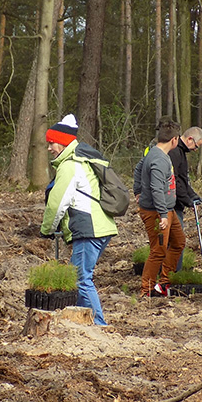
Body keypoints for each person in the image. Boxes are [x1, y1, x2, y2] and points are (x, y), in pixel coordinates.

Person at [40, 114, 118, 325]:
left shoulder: (70, 165)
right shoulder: (77, 161)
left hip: (89, 228)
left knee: (81, 279)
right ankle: (84, 322)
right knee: (78, 278)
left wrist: (47, 229)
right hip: (99, 226)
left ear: (63, 142)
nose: (49, 148)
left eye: (52, 143)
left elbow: (57, 203)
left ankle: (99, 325)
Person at [136, 119, 186, 298]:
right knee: (158, 250)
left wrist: (137, 189)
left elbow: (138, 168)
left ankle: (164, 283)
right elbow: (157, 188)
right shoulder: (158, 159)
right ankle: (146, 290)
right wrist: (163, 214)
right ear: (174, 140)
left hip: (167, 209)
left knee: (179, 242)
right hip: (157, 213)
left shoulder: (156, 154)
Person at [168, 127, 202, 270]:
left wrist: (192, 194)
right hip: (172, 204)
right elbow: (174, 180)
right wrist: (186, 199)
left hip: (178, 203)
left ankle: (173, 271)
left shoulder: (181, 153)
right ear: (190, 139)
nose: (195, 150)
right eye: (196, 146)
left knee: (177, 241)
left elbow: (184, 180)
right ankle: (172, 273)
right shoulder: (175, 152)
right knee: (177, 241)